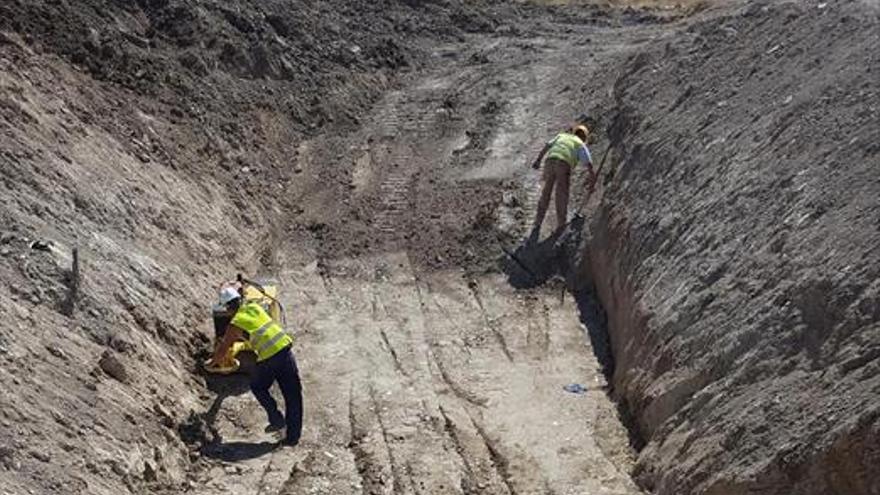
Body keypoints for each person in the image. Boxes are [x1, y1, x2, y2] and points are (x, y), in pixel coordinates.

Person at [211, 286, 303, 447]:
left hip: (269, 356)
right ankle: (292, 439)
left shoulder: (236, 323)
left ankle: (276, 419)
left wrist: (212, 363)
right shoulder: (254, 306)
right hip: (285, 348)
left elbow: (224, 347)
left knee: (258, 387)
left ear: (227, 307)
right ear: (239, 300)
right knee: (293, 395)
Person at [529, 124, 596, 240]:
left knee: (546, 192)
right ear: (584, 137)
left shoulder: (562, 136)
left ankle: (537, 223)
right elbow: (589, 165)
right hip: (563, 165)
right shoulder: (580, 144)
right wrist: (592, 183)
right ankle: (561, 226)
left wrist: (538, 160)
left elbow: (547, 145)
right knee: (561, 195)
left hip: (550, 161)